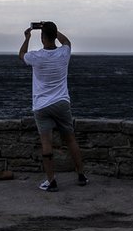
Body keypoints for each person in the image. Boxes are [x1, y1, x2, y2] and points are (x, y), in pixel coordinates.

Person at [19, 21, 87, 191]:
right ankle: (81, 175)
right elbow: (67, 42)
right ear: (55, 35)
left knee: (46, 144)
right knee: (70, 139)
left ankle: (51, 181)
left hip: (41, 106)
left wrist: (27, 37)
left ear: (42, 38)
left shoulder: (36, 57)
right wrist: (51, 29)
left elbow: (21, 54)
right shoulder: (64, 53)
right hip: (62, 103)